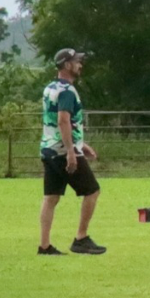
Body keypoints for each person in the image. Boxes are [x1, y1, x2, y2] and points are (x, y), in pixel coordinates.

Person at [39, 48, 106, 256]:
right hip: (62, 151)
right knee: (92, 191)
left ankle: (44, 246)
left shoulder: (50, 88)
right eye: (77, 61)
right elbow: (63, 120)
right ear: (67, 65)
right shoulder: (67, 91)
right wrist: (71, 151)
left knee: (51, 197)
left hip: (48, 149)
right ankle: (81, 238)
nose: (80, 65)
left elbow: (55, 121)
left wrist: (80, 144)